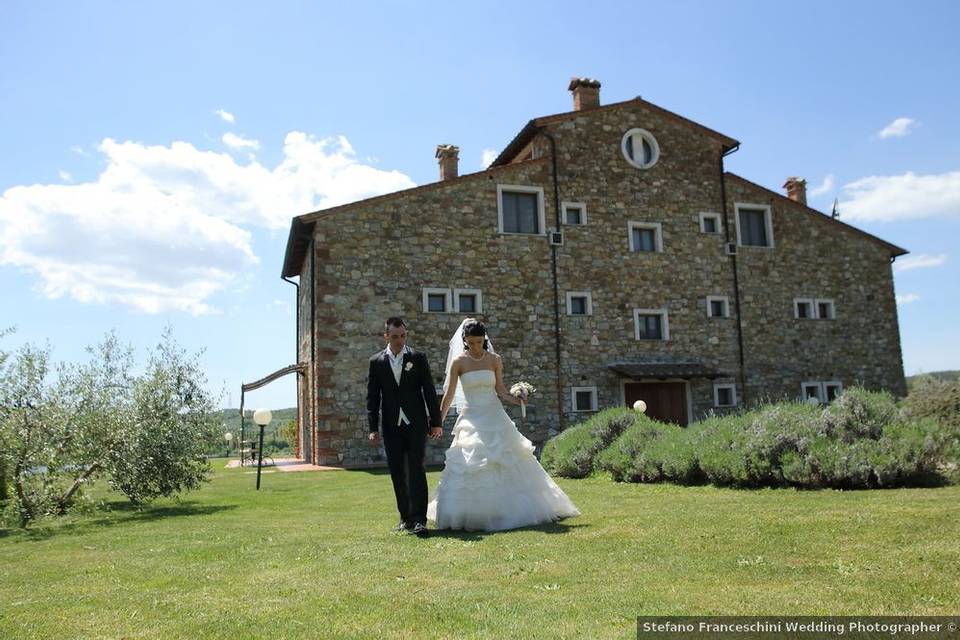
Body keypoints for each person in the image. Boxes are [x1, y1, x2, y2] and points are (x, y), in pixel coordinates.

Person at [427, 318, 580, 531]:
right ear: (465, 341)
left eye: (479, 342)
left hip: (494, 414)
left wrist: (518, 400)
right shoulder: (459, 362)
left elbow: (500, 390)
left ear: (484, 339)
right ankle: (472, 513)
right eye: (471, 342)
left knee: (509, 459)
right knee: (471, 463)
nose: (475, 346)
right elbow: (450, 393)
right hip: (471, 417)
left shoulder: (494, 360)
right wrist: (438, 421)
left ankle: (510, 511)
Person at [367, 317, 443, 537]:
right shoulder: (377, 362)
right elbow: (373, 397)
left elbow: (429, 390)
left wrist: (435, 422)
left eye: (403, 336)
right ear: (386, 336)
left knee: (417, 469)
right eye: (394, 337)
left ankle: (420, 519)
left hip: (416, 424)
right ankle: (405, 518)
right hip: (391, 425)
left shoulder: (418, 358)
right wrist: (373, 428)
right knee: (397, 471)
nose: (400, 340)